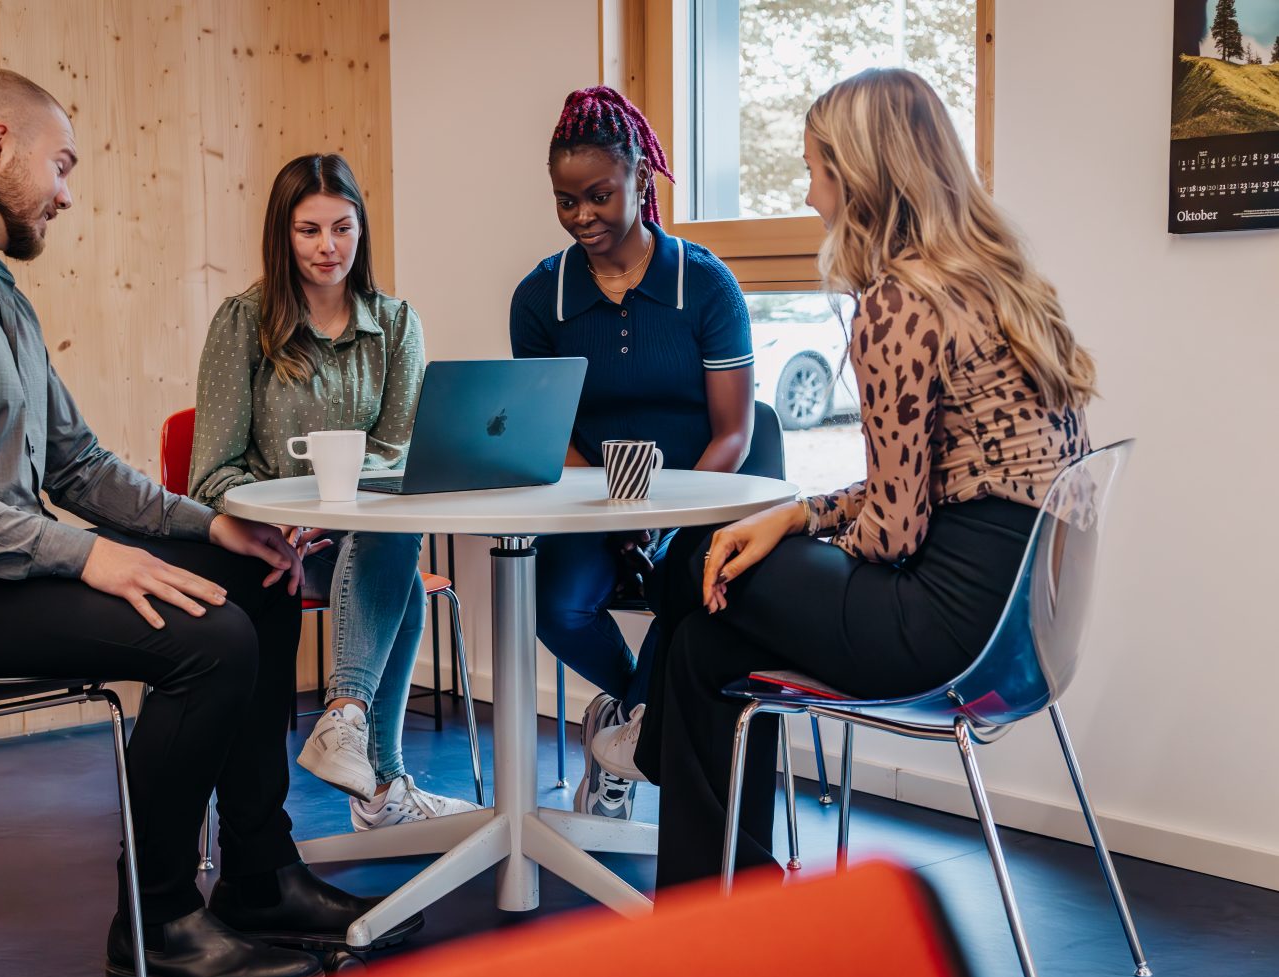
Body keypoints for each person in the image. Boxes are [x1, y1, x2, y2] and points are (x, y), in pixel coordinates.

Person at [0, 69, 422, 977]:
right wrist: (89, 553)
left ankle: (259, 875)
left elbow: (80, 465)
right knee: (207, 644)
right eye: (59, 165)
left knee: (247, 578)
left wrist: (219, 524)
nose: (66, 190)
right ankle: (162, 919)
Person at [633, 68, 1096, 889]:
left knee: (691, 560)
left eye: (815, 171)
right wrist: (798, 516)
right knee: (706, 647)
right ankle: (721, 894)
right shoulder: (1003, 285)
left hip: (941, 630)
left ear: (860, 178)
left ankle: (642, 744)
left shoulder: (899, 302)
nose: (809, 195)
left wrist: (798, 523)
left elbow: (893, 533)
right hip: (1023, 625)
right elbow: (941, 492)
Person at [190, 153, 478, 830]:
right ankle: (384, 788)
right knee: (400, 570)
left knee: (390, 531)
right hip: (277, 543)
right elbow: (212, 472)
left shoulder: (396, 324)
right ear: (281, 237)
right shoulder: (245, 322)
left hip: (367, 532)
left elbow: (398, 453)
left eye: (342, 228)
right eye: (309, 230)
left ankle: (344, 718)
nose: (328, 247)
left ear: (362, 230)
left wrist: (344, 510)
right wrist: (284, 516)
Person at [509, 86, 755, 820]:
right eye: (565, 201)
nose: (582, 216)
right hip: (592, 498)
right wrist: (612, 509)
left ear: (640, 180)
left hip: (695, 498)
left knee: (689, 588)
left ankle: (627, 741)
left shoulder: (705, 284)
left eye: (599, 196)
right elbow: (549, 430)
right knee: (555, 606)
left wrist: (668, 514)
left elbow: (734, 434)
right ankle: (630, 721)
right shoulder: (539, 298)